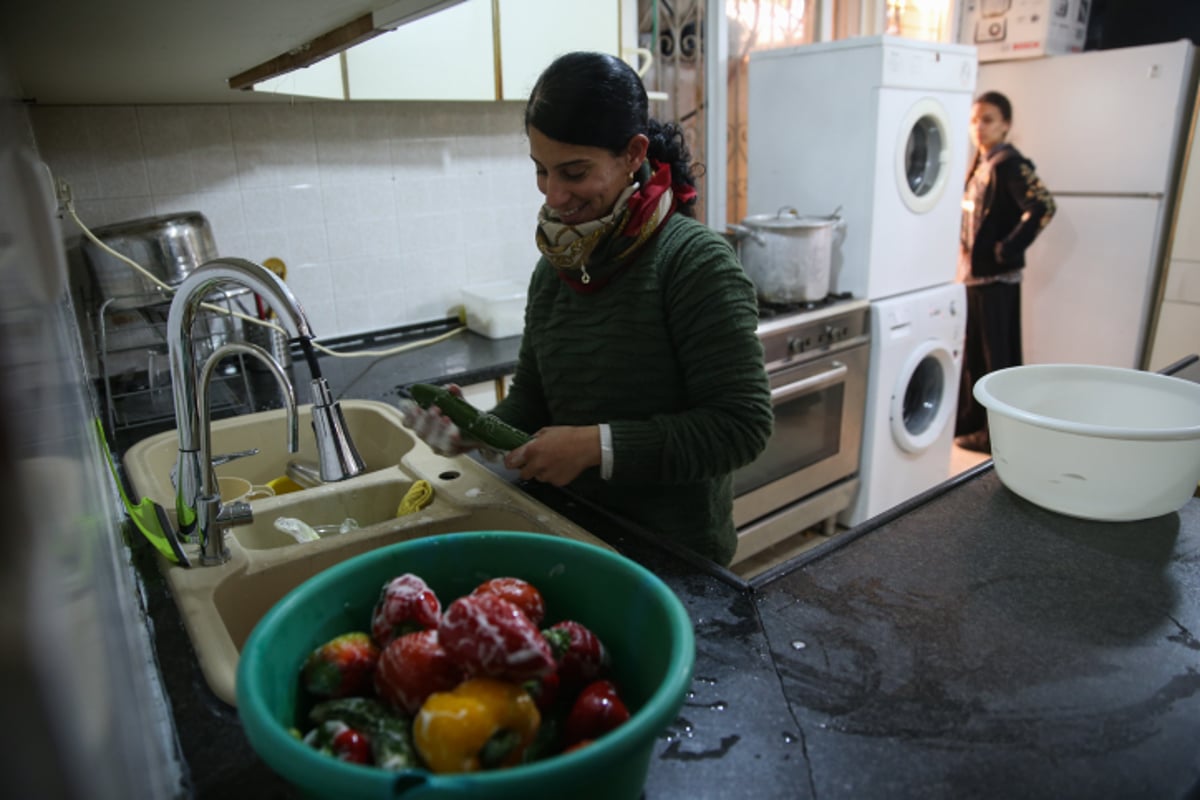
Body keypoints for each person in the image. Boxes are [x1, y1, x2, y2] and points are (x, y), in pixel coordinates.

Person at [401, 51, 773, 567]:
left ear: (631, 153)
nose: (554, 196)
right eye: (541, 171)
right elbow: (532, 401)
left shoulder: (693, 262)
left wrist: (598, 445)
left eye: (574, 172)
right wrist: (470, 429)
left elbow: (741, 426)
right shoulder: (556, 268)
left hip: (673, 557)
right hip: (571, 532)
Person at [955, 90, 1056, 454]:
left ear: (1006, 125)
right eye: (974, 120)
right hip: (973, 277)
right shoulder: (981, 163)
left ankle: (995, 434)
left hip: (996, 280)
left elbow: (1042, 206)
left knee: (997, 360)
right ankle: (969, 420)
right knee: (973, 356)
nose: (978, 127)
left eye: (988, 120)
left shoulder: (1008, 163)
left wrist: (1005, 250)